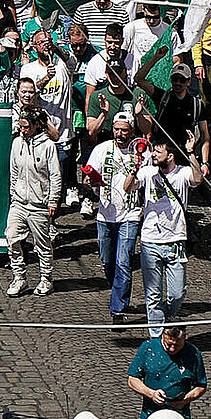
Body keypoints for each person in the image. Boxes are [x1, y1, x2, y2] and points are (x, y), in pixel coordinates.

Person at [124, 137, 204, 332]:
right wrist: (134, 168)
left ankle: (168, 315)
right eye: (153, 152)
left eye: (158, 152)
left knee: (177, 293)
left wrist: (191, 152)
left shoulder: (183, 173)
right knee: (153, 294)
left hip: (176, 240)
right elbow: (128, 186)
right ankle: (156, 336)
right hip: (150, 240)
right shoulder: (148, 172)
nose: (153, 155)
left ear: (170, 156)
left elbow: (198, 179)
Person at [85, 111, 142, 322]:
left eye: (124, 130)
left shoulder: (140, 154)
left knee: (123, 261)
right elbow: (86, 178)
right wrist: (91, 182)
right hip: (105, 214)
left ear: (132, 132)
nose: (120, 134)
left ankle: (118, 309)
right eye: (117, 129)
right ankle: (117, 288)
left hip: (130, 214)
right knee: (108, 261)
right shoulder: (102, 150)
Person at [5, 109, 61, 298]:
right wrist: (13, 194)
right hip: (19, 202)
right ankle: (19, 277)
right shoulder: (16, 143)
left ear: (37, 125)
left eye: (26, 126)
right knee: (11, 237)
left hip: (39, 204)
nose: (22, 130)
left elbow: (55, 175)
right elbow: (13, 171)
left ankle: (46, 277)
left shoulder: (48, 146)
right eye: (20, 126)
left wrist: (53, 200)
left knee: (42, 244)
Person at [126, 323, 207, 419]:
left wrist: (184, 400)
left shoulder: (193, 353)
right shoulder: (148, 347)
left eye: (177, 345)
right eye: (168, 344)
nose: (172, 349)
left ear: (184, 339)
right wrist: (151, 394)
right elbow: (132, 380)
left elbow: (201, 385)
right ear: (162, 336)